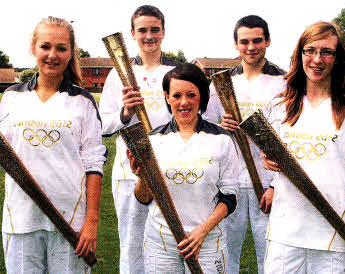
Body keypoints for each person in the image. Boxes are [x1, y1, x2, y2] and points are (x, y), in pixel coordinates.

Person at [0, 16, 106, 273]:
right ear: (33, 48)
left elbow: (94, 163)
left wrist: (91, 221)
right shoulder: (12, 97)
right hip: (21, 221)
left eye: (61, 48)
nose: (52, 55)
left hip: (71, 222)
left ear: (71, 53)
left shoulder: (83, 101)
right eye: (45, 46)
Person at [128, 63, 240, 273]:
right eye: (176, 95)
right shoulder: (153, 140)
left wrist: (202, 232)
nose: (184, 102)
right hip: (161, 240)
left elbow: (230, 197)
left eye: (191, 95)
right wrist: (143, 177)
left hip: (207, 240)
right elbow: (144, 198)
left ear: (202, 96)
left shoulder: (222, 139)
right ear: (167, 97)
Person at [262, 21, 345, 273]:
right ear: (300, 53)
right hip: (285, 230)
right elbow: (272, 158)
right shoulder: (281, 106)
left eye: (327, 52)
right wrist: (269, 160)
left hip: (333, 232)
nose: (317, 59)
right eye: (310, 50)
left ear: (338, 57)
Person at [99, 5, 179, 273]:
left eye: (154, 30)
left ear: (164, 32)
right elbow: (104, 125)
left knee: (171, 243)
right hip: (129, 172)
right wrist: (125, 112)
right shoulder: (117, 74)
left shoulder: (177, 72)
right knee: (132, 245)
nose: (149, 36)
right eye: (142, 30)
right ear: (132, 33)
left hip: (172, 169)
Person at [204, 15, 286, 273]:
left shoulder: (284, 82)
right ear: (236, 45)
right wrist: (221, 127)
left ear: (268, 41)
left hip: (268, 181)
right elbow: (204, 128)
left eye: (257, 41)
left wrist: (276, 184)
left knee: (271, 252)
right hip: (231, 181)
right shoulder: (222, 83)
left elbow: (290, 135)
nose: (251, 47)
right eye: (245, 42)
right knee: (228, 250)